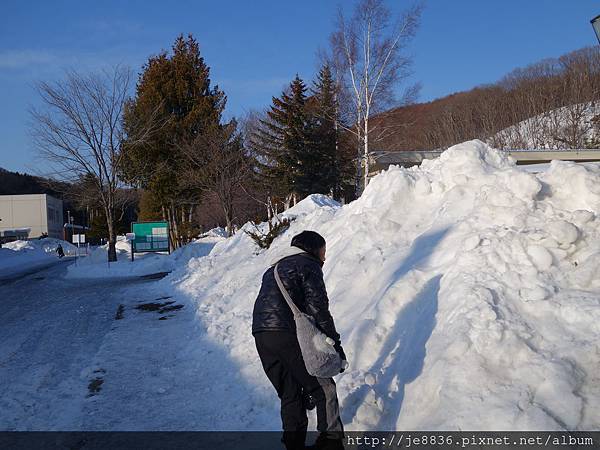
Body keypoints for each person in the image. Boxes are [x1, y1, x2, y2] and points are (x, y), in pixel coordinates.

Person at [252, 230, 347, 450]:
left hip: (262, 335)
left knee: (290, 393)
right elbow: (319, 308)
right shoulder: (307, 264)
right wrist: (335, 344)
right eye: (323, 251)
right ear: (313, 249)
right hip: (287, 333)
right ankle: (331, 443)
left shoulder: (273, 269)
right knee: (324, 387)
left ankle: (293, 445)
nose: (325, 257)